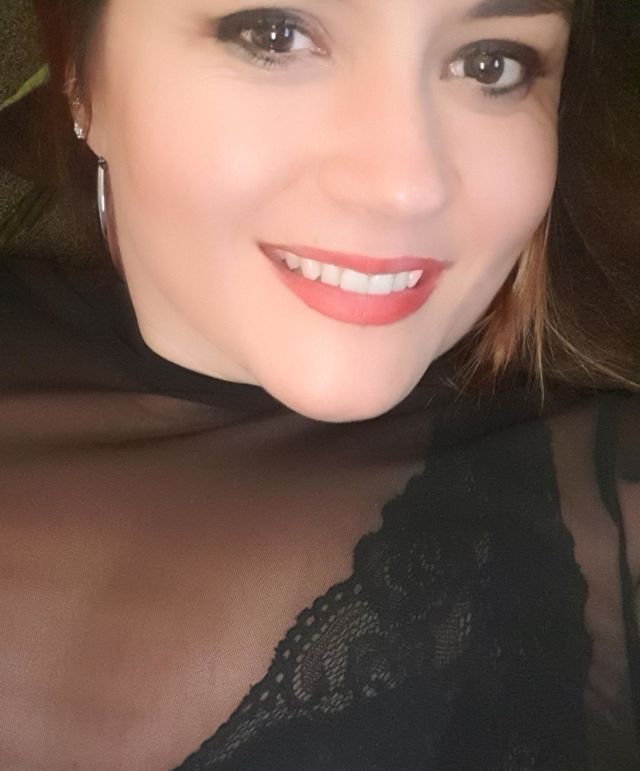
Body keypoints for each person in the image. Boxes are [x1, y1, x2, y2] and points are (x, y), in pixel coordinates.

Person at [1, 0, 639, 768]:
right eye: (276, 36)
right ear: (83, 80)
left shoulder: (606, 519)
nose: (405, 185)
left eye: (489, 63)